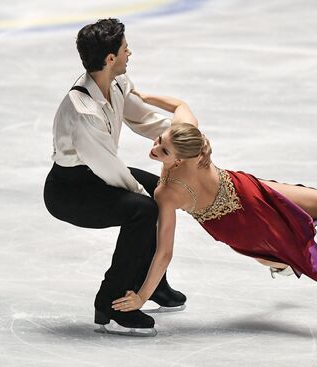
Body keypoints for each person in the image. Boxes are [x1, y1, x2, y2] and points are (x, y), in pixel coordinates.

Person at [111, 91, 317, 314]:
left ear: (181, 158)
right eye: (158, 142)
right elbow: (181, 104)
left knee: (296, 235)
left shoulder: (167, 192)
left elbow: (164, 253)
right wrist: (141, 96)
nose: (155, 150)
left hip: (233, 221)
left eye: (163, 150)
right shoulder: (189, 137)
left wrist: (142, 296)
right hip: (247, 196)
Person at [43, 19, 209, 337]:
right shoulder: (83, 112)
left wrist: (188, 139)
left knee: (159, 191)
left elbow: (144, 118)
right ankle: (112, 302)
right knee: (144, 209)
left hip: (97, 174)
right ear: (109, 59)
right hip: (71, 190)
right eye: (123, 49)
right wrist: (151, 199)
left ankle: (153, 282)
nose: (129, 52)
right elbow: (110, 169)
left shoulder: (117, 82)